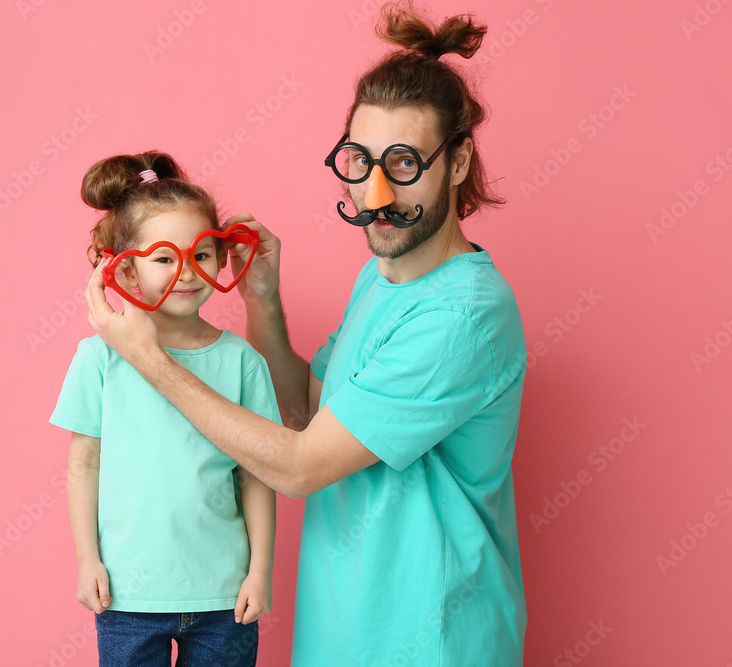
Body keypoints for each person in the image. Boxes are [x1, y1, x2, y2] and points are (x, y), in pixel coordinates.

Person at [85, 3, 528, 665]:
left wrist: (151, 361)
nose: (375, 192)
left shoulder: (461, 316)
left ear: (458, 162)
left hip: (431, 641)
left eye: (404, 164)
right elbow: (307, 416)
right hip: (346, 633)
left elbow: (297, 467)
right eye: (359, 160)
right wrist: (263, 304)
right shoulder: (382, 278)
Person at [50, 151, 279, 667]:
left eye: (201, 253)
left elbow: (257, 476)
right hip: (128, 596)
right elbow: (83, 466)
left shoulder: (243, 362)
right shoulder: (99, 358)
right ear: (125, 268)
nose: (186, 271)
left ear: (222, 258)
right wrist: (88, 559)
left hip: (224, 599)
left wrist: (259, 570)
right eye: (163, 257)